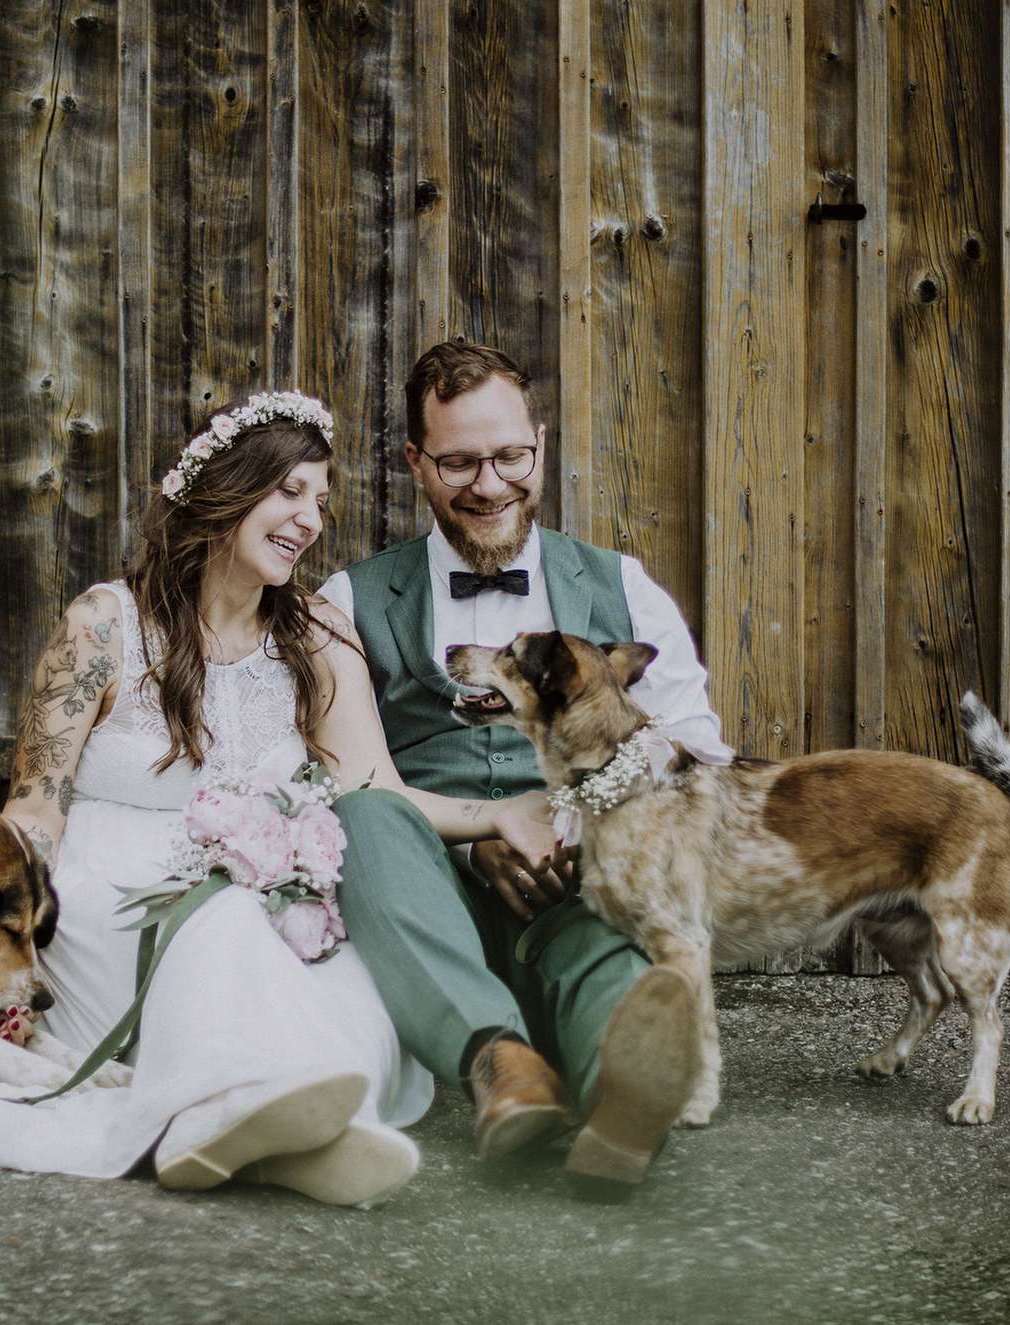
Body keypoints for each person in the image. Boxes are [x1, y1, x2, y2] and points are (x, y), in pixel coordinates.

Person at [0, 389, 559, 1208]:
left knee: (336, 971)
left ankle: (268, 1132)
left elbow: (370, 787)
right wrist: (7, 956)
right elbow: (35, 808)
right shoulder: (106, 624)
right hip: (112, 899)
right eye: (288, 491)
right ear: (226, 490)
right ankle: (238, 1120)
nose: (309, 518)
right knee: (222, 932)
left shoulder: (316, 635)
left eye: (320, 499)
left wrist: (494, 814)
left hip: (265, 885)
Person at [317, 341, 731, 1191]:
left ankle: (624, 1092)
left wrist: (580, 823)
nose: (489, 484)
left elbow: (701, 751)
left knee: (606, 957)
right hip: (426, 883)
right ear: (415, 463)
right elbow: (329, 773)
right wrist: (475, 843)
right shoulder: (349, 600)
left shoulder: (623, 586)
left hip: (579, 881)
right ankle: (501, 1064)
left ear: (538, 445)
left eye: (509, 456)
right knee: (358, 816)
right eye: (459, 462)